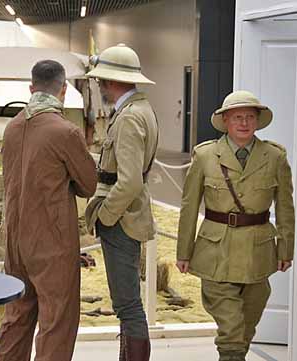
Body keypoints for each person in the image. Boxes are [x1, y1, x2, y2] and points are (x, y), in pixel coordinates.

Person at [176, 90, 295, 361]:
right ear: (226, 121)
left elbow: (286, 208)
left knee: (245, 330)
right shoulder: (206, 155)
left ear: (257, 121)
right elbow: (189, 205)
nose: (244, 123)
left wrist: (285, 249)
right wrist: (184, 252)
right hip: (216, 253)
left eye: (249, 117)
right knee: (231, 333)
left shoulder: (274, 157)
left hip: (258, 255)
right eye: (238, 117)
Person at [0, 60, 97, 361]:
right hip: (52, 241)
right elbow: (88, 184)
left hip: (14, 238)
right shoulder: (65, 132)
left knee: (16, 316)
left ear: (31, 88)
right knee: (57, 323)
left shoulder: (11, 128)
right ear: (63, 90)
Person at [85, 44, 158, 361]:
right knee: (128, 305)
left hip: (122, 220)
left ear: (111, 81)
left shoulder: (129, 117)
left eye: (101, 80)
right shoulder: (141, 110)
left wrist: (105, 216)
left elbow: (129, 180)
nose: (99, 86)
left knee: (127, 306)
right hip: (129, 216)